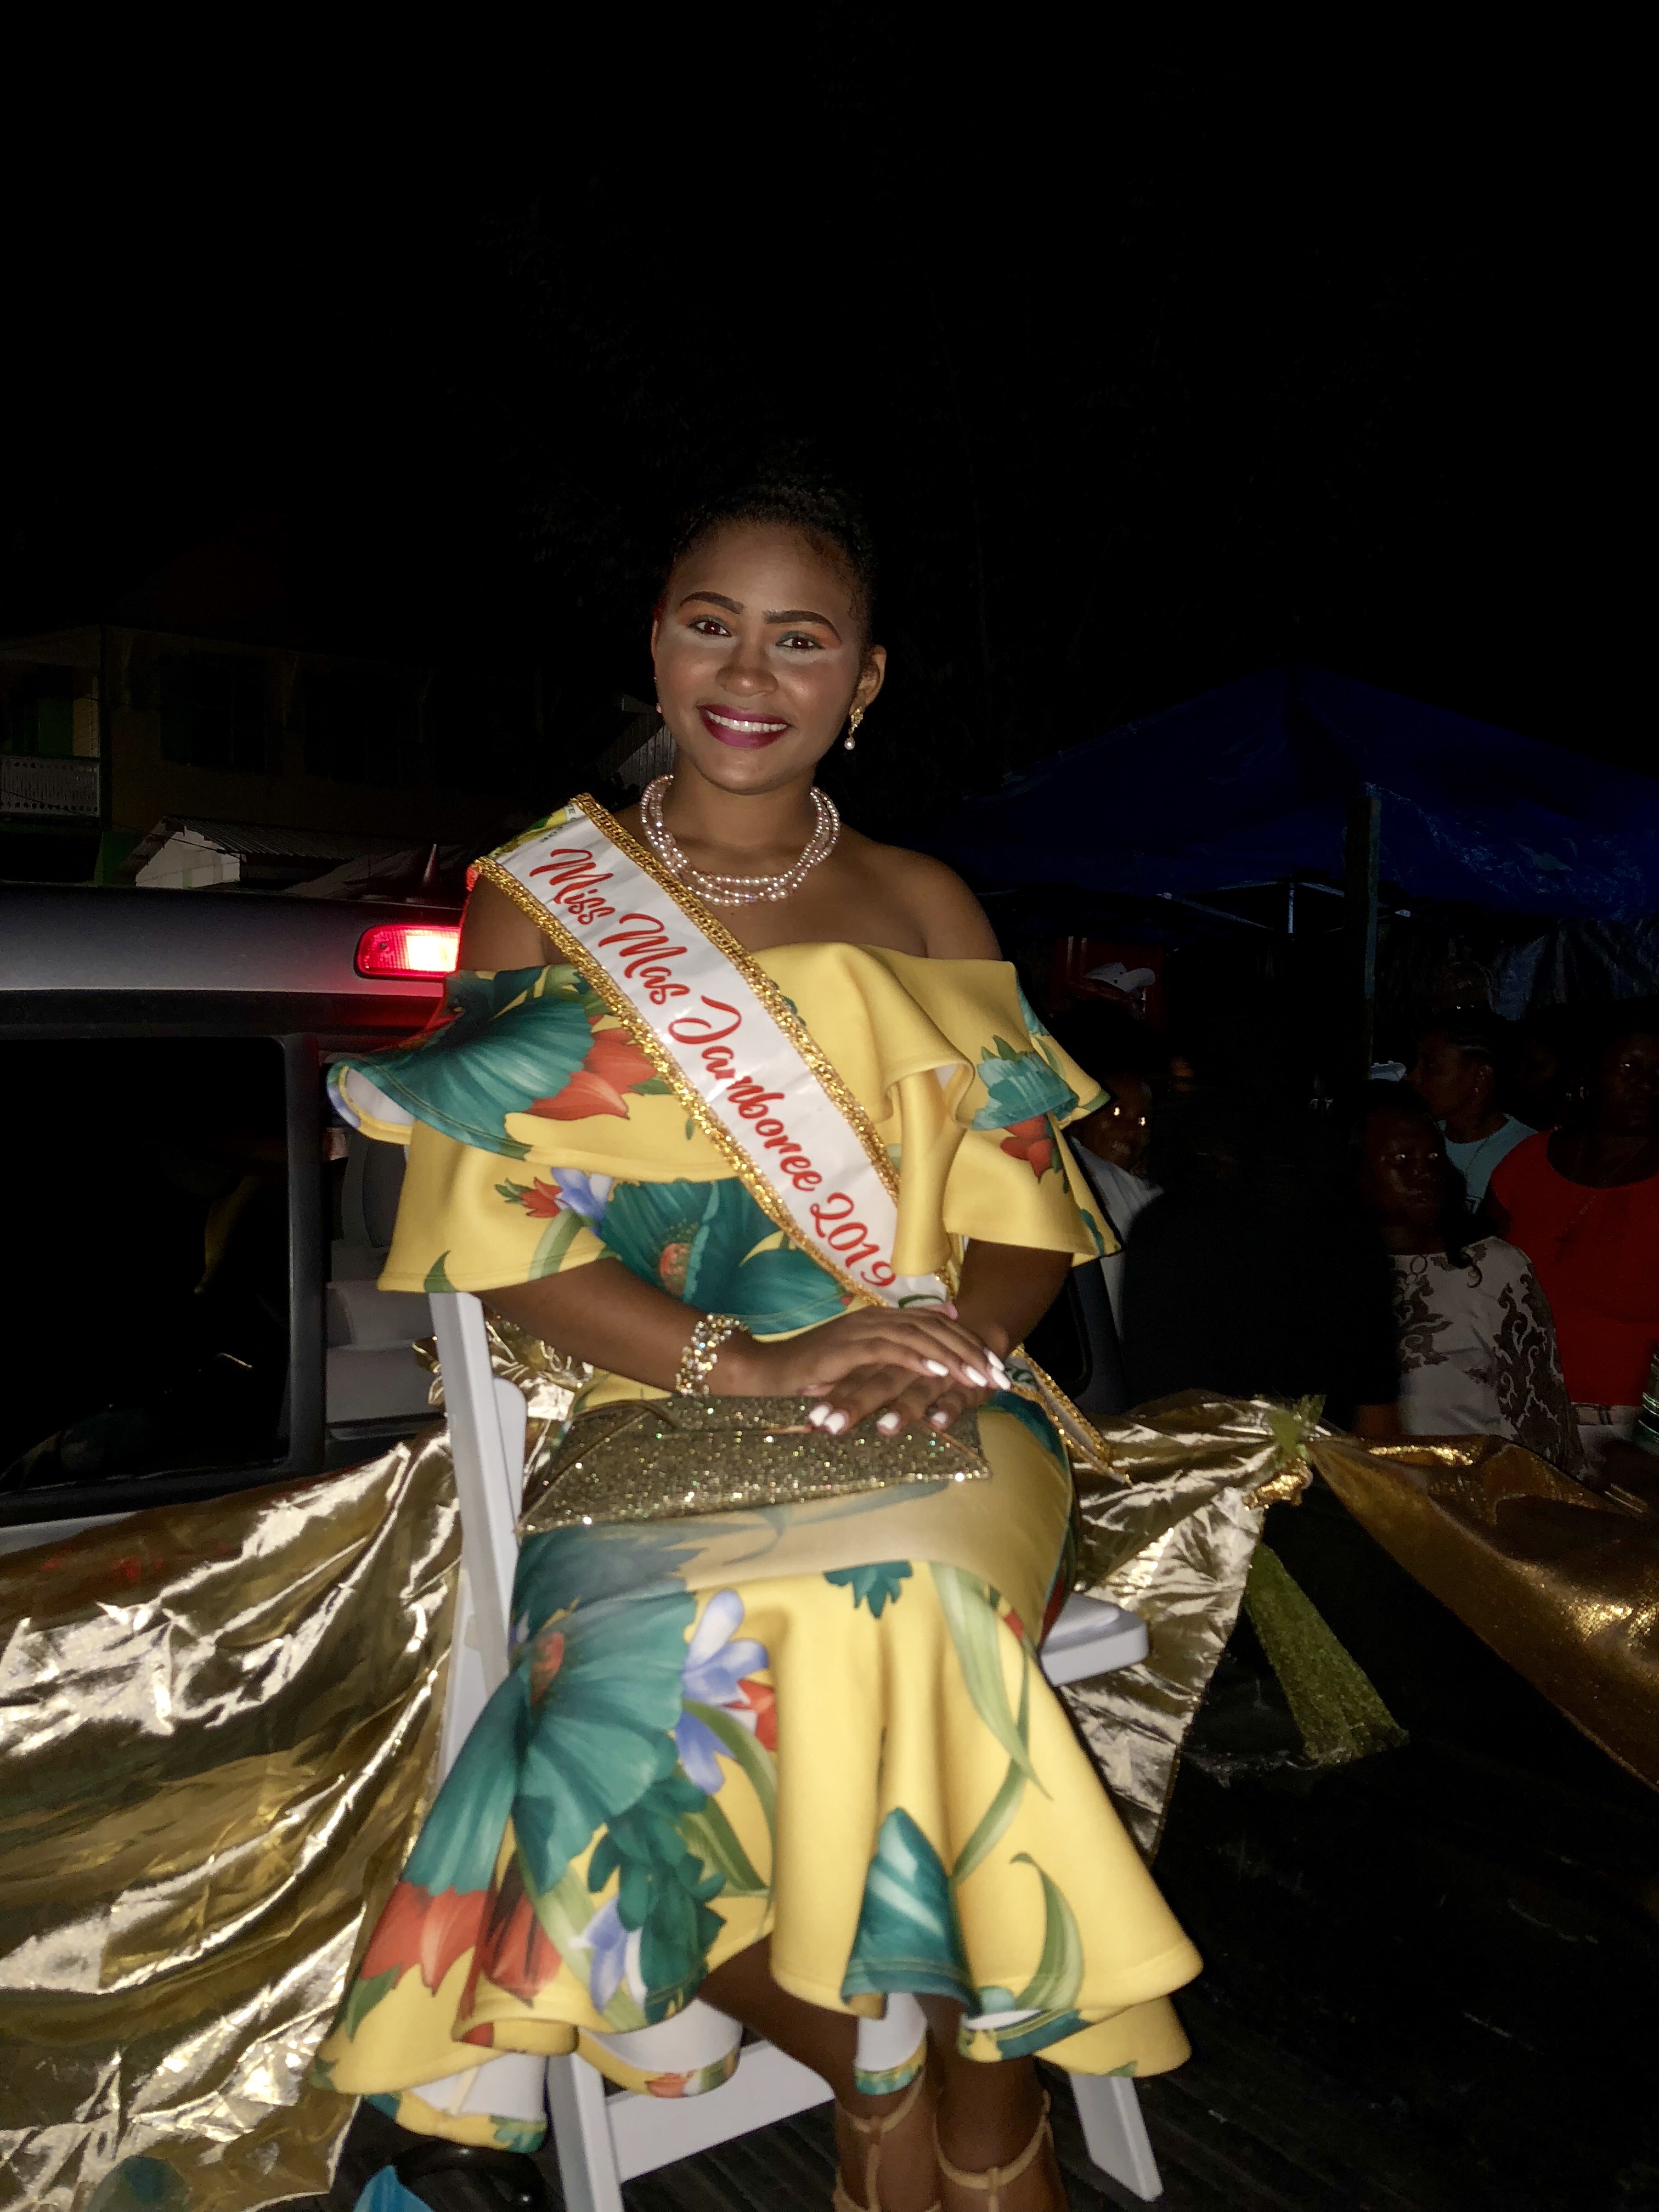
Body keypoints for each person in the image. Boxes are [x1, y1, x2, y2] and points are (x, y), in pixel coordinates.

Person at [318, 475, 1201, 2212]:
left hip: (937, 1401)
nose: (749, 671)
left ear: (863, 682)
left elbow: (1028, 1222)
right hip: (655, 1402)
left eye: (803, 640)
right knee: (640, 1674)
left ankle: (957, 2084)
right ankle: (906, 2071)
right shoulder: (539, 900)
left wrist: (957, 1342)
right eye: (712, 626)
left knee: (918, 1589)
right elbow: (503, 1254)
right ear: (657, 645)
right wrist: (755, 1364)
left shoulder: (928, 902)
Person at [1121, 1016, 1401, 1437]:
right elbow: (1377, 1413)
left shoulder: (1168, 1229)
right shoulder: (1344, 1222)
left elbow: (1157, 1412)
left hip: (1210, 1474)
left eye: (1177, 1087)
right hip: (1327, 1471)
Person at [1355, 1085, 1583, 1476]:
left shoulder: (1491, 1269)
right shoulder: (1331, 1271)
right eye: (1401, 1158)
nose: (1424, 1171)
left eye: (1433, 1156)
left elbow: (1541, 1419)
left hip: (1471, 1497)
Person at [1486, 1004, 1659, 1482]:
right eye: (1630, 1067)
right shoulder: (1528, 1160)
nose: (1648, 1084)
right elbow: (1470, 1277)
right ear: (1587, 1077)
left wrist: (1649, 1444)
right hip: (1514, 1413)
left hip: (1625, 1438)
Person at [1060, 1012, 1163, 1334]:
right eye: (1116, 1112)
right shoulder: (1060, 1167)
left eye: (1142, 1121)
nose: (1131, 1130)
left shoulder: (1152, 1198)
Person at [1407, 1012, 1533, 1210]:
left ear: (1480, 1076)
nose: (1413, 1077)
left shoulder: (1529, 1154)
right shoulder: (1415, 1141)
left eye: (1431, 1067)